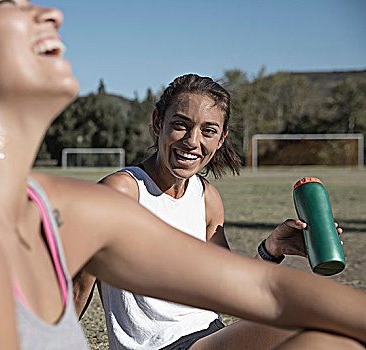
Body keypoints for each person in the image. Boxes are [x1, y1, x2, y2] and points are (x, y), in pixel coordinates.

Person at [0, 1, 364, 349]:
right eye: (6, 3)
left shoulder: (74, 209)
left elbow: (271, 293)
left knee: (329, 340)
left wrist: (272, 251)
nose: (51, 12)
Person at [72, 73, 347, 349]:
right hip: (161, 346)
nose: (192, 141)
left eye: (208, 131)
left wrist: (272, 249)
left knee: (330, 322)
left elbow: (231, 292)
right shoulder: (121, 192)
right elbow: (78, 288)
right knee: (312, 321)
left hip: (210, 335)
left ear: (221, 138)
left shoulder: (207, 198)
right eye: (181, 125)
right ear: (158, 122)